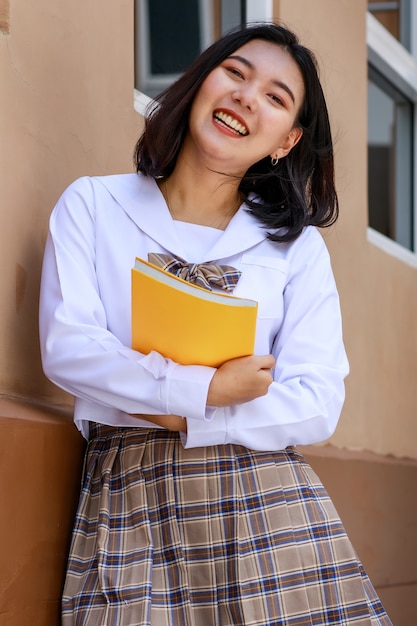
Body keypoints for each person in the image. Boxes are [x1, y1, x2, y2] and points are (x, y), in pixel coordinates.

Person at [39, 22, 392, 626]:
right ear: (200, 82)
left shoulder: (295, 249)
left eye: (276, 98)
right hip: (129, 497)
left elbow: (316, 399)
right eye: (235, 73)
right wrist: (207, 391)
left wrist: (182, 407)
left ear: (287, 140)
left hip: (266, 500)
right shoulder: (94, 205)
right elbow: (69, 349)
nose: (247, 97)